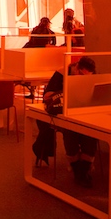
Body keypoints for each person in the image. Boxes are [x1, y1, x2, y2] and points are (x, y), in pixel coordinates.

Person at [34, 56, 98, 187]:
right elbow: (47, 95)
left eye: (86, 76)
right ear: (77, 67)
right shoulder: (62, 73)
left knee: (91, 134)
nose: (82, 78)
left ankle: (83, 169)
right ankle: (77, 170)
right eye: (80, 73)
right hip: (63, 114)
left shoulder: (92, 75)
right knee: (70, 133)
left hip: (83, 112)